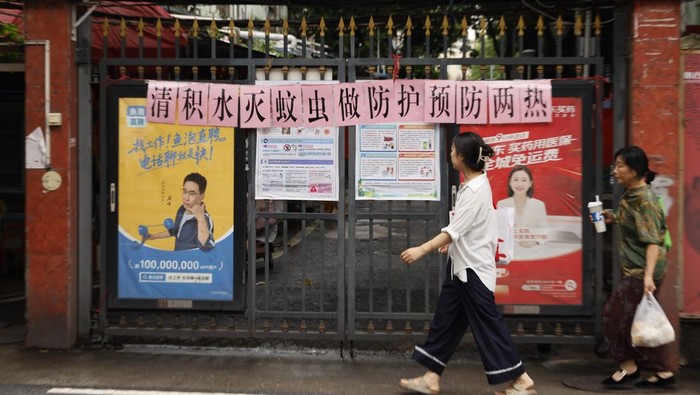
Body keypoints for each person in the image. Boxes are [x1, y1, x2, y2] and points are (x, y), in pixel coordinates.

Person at [398, 132, 536, 395]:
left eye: (452, 150)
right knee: (446, 320)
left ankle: (521, 379)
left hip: (473, 271)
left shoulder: (476, 190)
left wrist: (422, 249)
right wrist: (453, 243)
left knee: (488, 324)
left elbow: (454, 229)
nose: (450, 154)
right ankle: (431, 376)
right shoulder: (473, 185)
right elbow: (469, 227)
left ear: (462, 157)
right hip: (461, 267)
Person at [599, 146, 675, 388]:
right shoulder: (631, 194)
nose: (615, 170)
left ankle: (628, 367)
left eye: (620, 165)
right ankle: (661, 371)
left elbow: (654, 241)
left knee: (613, 315)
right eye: (615, 165)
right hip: (637, 270)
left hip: (642, 272)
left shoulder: (645, 199)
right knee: (638, 320)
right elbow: (629, 218)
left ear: (635, 170)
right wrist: (611, 215)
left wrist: (648, 277)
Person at [147, 172, 215, 251]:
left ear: (202, 196)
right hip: (178, 259)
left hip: (193, 262)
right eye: (184, 192)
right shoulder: (181, 210)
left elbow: (206, 248)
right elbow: (175, 231)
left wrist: (200, 218)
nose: (186, 198)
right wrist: (152, 236)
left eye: (192, 193)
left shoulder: (205, 219)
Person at [496, 165, 548, 248]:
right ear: (510, 182)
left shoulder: (539, 205)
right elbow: (498, 231)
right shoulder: (502, 204)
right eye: (516, 180)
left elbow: (544, 230)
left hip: (532, 250)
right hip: (509, 251)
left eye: (524, 180)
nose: (519, 184)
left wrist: (535, 241)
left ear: (530, 183)